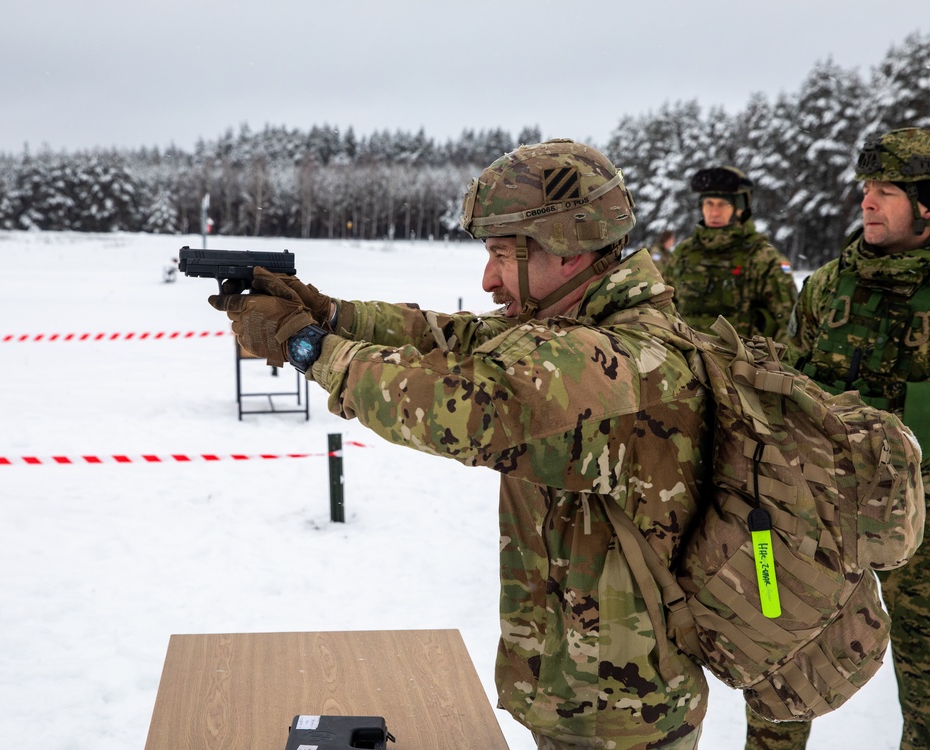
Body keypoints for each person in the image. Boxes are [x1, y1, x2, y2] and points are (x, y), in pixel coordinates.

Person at [208, 139, 714, 749]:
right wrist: (331, 313)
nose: (489, 278)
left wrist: (308, 346)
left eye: (504, 253)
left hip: (622, 721)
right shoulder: (576, 329)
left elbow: (466, 407)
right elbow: (451, 336)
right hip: (581, 697)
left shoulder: (622, 362)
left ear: (571, 249)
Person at [771, 127, 930, 750]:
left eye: (886, 191)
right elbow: (787, 388)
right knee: (781, 662)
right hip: (818, 508)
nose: (867, 202)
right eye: (866, 188)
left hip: (920, 521)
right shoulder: (825, 286)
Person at [662, 166, 798, 342]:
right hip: (687, 360)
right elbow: (663, 309)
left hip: (743, 364)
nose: (714, 212)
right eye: (708, 203)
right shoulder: (684, 254)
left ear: (740, 208)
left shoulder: (763, 258)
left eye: (723, 204)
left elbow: (789, 326)